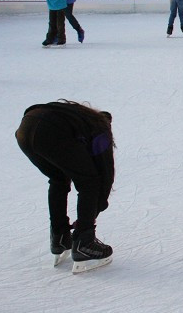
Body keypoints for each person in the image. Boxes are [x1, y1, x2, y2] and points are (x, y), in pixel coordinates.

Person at [15, 101, 115, 271]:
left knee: (58, 178)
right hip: (49, 130)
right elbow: (105, 175)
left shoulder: (78, 115)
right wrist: (96, 208)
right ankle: (85, 242)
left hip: (25, 129)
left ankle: (59, 237)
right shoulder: (100, 129)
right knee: (90, 182)